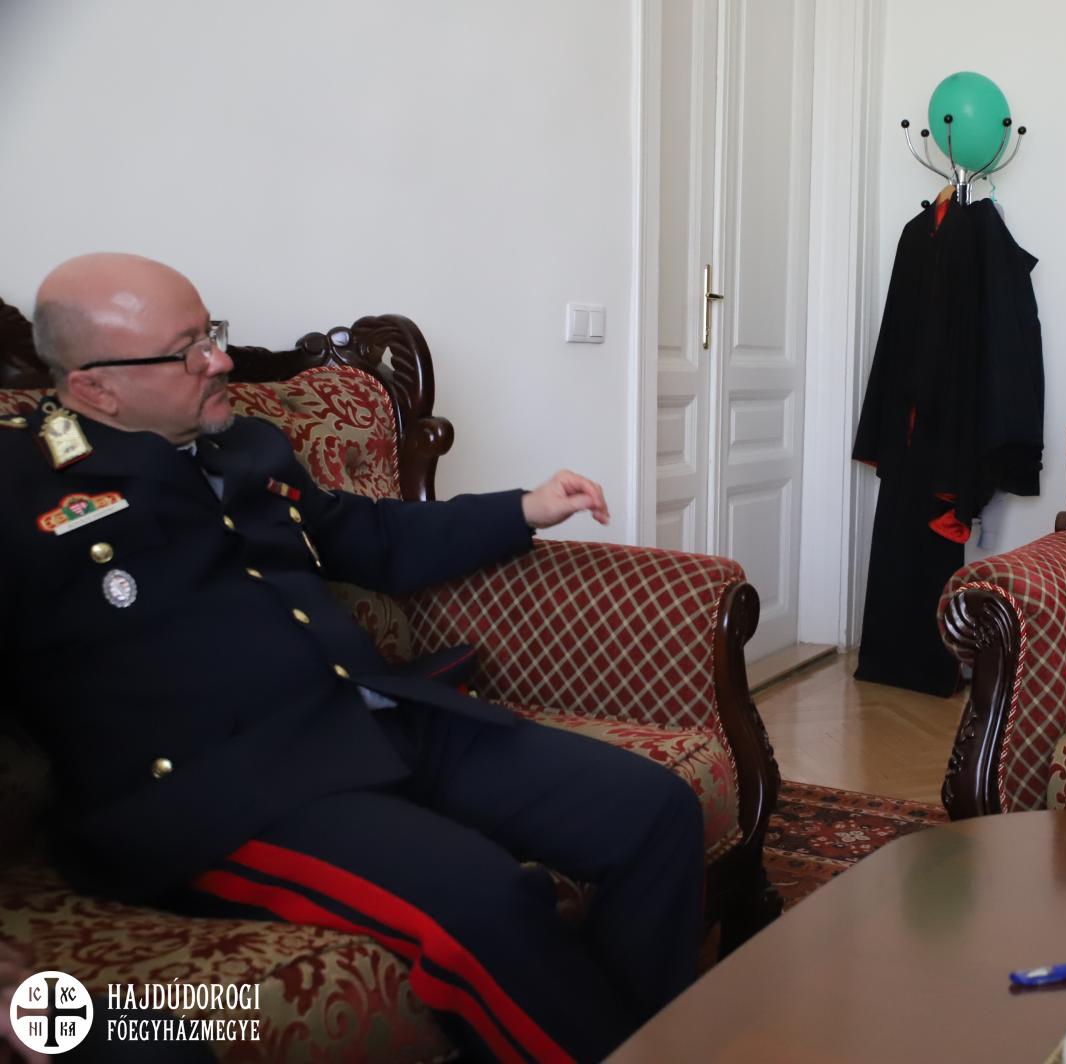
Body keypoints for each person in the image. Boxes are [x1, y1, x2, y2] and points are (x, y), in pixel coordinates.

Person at [0, 253, 704, 1063]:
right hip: (222, 792)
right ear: (94, 387)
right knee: (484, 902)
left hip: (367, 717)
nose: (220, 361)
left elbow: (368, 537)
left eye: (212, 334)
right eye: (189, 350)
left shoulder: (245, 444)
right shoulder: (19, 485)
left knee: (653, 810)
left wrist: (524, 509)